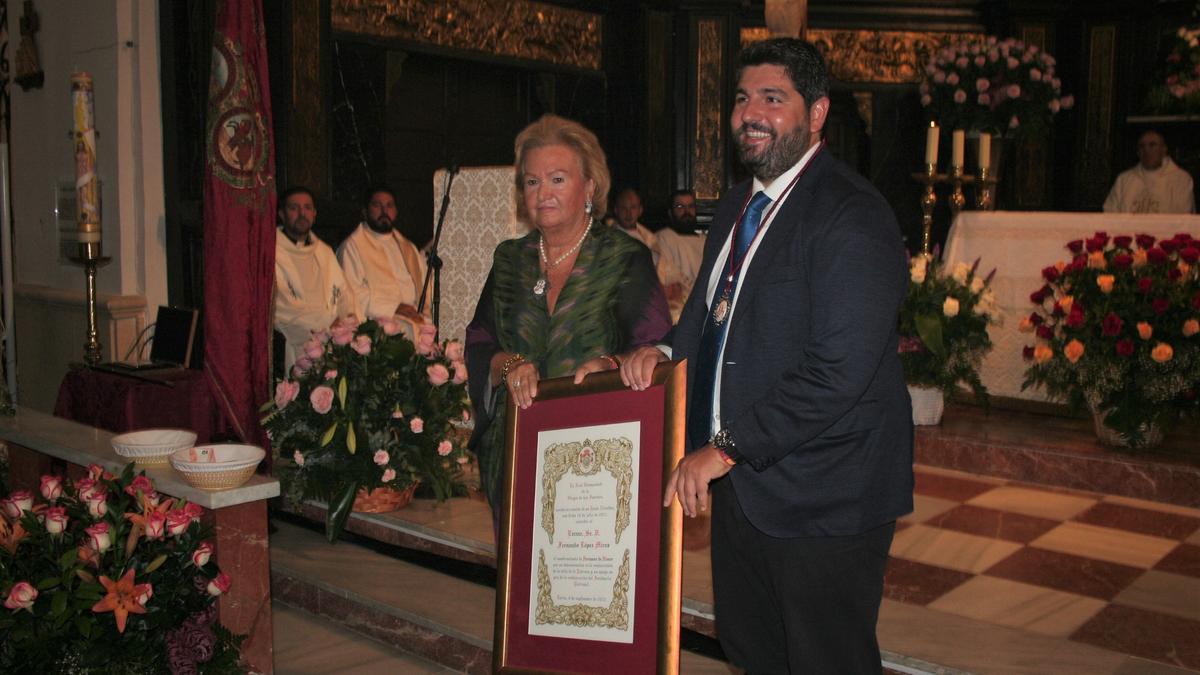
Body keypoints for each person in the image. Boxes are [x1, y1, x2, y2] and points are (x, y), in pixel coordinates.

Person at [622, 38, 912, 672]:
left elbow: (839, 370)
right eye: (742, 98)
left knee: (823, 659)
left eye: (772, 99)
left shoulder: (851, 214)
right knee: (754, 651)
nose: (750, 112)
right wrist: (665, 351)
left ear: (816, 114)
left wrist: (724, 447)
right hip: (747, 487)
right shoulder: (738, 203)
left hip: (826, 491)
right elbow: (708, 311)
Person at [465, 115, 672, 528]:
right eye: (531, 181)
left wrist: (609, 367)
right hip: (515, 450)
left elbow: (656, 349)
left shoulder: (623, 257)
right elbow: (480, 341)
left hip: (594, 457)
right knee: (521, 579)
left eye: (557, 179)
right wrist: (508, 365)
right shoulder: (509, 259)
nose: (543, 193)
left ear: (590, 186)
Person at [273, 186, 357, 371]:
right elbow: (283, 306)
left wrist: (344, 321)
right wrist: (328, 322)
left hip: (331, 330)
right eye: (294, 208)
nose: (302, 213)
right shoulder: (272, 251)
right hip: (295, 330)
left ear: (314, 214)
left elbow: (344, 294)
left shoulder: (324, 251)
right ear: (281, 214)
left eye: (307, 208)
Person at [337, 185, 430, 322]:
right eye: (377, 205)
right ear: (365, 211)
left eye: (389, 206)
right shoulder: (352, 247)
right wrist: (393, 308)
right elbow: (351, 293)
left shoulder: (408, 248)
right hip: (377, 324)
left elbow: (424, 287)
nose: (384, 211)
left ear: (396, 212)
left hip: (415, 320)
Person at [612, 187, 688, 320]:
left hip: (663, 296)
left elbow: (668, 267)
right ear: (616, 210)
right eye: (624, 208)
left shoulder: (649, 238)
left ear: (640, 210)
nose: (629, 213)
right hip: (639, 304)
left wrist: (677, 284)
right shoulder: (612, 241)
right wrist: (659, 291)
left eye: (633, 207)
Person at [1103, 130, 1195, 213]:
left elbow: (1182, 217)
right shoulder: (1123, 180)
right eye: (1142, 146)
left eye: (1152, 145)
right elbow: (1110, 212)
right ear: (1138, 152)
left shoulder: (1181, 179)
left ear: (1164, 150)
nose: (1147, 150)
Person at [655, 188, 706, 313]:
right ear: (670, 212)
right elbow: (668, 279)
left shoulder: (706, 241)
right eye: (680, 207)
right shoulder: (663, 238)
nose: (686, 211)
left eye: (690, 206)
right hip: (677, 310)